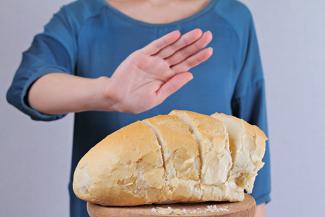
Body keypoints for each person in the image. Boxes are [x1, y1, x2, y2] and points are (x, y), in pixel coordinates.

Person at [6, 0, 271, 216]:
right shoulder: (80, 18)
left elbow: (253, 140)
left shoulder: (235, 19)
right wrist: (107, 93)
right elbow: (29, 86)